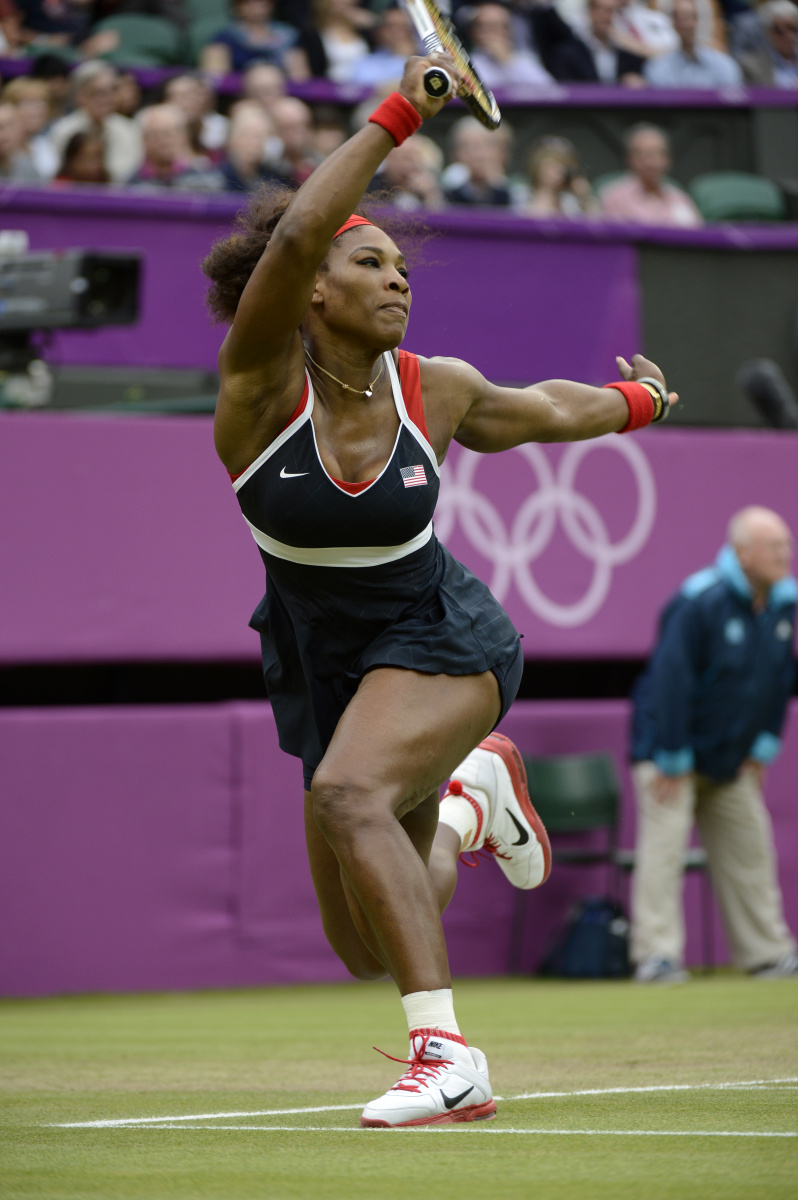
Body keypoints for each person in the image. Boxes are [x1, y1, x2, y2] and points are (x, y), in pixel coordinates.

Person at [201, 52, 676, 1127]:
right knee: (361, 938)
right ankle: (471, 802)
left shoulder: (440, 391)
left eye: (402, 268)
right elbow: (287, 235)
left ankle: (449, 1059)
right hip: (327, 662)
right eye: (370, 263)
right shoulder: (256, 392)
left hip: (443, 637)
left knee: (347, 797)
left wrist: (636, 403)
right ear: (312, 286)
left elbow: (548, 412)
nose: (399, 280)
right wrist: (401, 113)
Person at [629, 507, 798, 984]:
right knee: (664, 855)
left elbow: (781, 679)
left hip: (730, 760)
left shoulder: (784, 604)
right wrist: (673, 755)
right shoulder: (699, 601)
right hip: (669, 755)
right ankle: (656, 957)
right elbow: (671, 681)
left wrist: (763, 746)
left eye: (786, 544)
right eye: (774, 546)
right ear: (743, 554)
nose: (785, 554)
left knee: (751, 850)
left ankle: (767, 953)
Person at [48, 61, 142, 186]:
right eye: (99, 92)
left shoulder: (128, 128)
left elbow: (130, 173)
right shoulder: (63, 130)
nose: (107, 99)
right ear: (80, 96)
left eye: (112, 91)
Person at [599, 123, 703, 227]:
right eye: (646, 155)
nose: (652, 163)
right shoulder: (614, 197)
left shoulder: (679, 197)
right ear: (630, 159)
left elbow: (698, 234)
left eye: (660, 154)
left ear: (668, 159)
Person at [531, 0, 646, 85]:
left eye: (609, 11)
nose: (603, 16)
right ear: (589, 12)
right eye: (598, 9)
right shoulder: (569, 53)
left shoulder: (626, 52)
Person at [200, 0, 309, 78]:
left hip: (282, 97)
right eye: (248, 1)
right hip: (239, 98)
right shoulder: (224, 37)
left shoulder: (289, 36)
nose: (257, 3)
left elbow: (300, 78)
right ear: (237, 5)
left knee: (291, 110)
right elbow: (215, 77)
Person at [645, 0, 744, 86]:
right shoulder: (658, 67)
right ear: (674, 24)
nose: (689, 25)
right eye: (682, 19)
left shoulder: (724, 64)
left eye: (693, 17)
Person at [128, 104, 224, 189]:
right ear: (144, 139)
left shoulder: (206, 179)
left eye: (171, 133)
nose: (165, 141)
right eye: (157, 134)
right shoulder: (131, 184)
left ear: (184, 136)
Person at [468, 2, 555, 89]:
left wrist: (508, 62)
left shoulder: (525, 60)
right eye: (483, 26)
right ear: (473, 31)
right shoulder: (466, 62)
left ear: (509, 31)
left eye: (496, 26)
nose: (491, 32)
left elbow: (550, 91)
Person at [443, 114, 513, 207]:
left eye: (488, 145)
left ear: (504, 152)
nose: (478, 155)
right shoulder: (445, 195)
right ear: (455, 154)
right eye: (467, 147)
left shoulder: (517, 194)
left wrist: (499, 187)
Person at [520, 135, 597, 218]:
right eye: (555, 164)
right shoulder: (522, 195)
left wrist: (585, 198)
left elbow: (597, 224)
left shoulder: (570, 202)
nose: (562, 170)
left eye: (567, 166)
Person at [737, 0, 798, 86]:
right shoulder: (751, 66)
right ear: (768, 32)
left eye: (792, 29)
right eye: (779, 30)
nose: (788, 35)